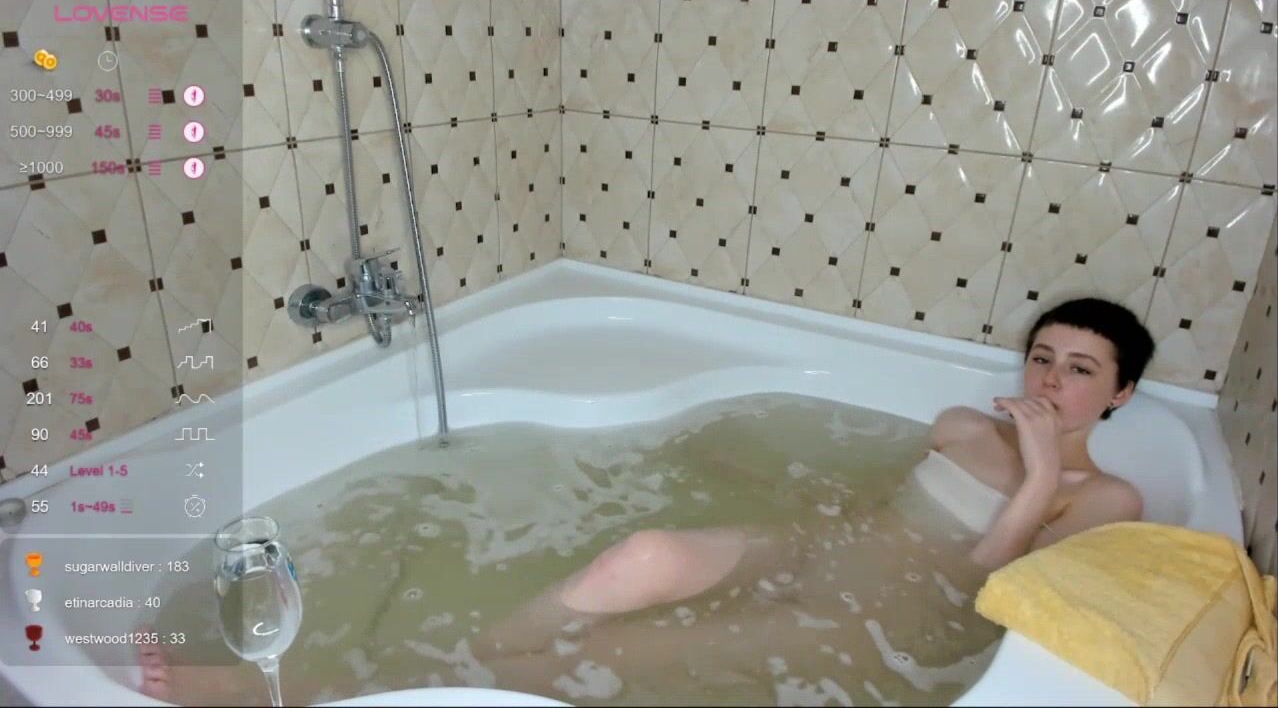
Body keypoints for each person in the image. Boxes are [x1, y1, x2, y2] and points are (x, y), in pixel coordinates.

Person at [137, 296, 1156, 705]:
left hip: (879, 616)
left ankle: (299, 690)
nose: (1050, 380)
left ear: (1119, 395)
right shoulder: (958, 425)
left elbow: (975, 588)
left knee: (583, 663)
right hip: (818, 547)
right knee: (645, 556)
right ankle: (470, 656)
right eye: (1043, 357)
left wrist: (1037, 478)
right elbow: (866, 497)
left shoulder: (1107, 498)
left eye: (1080, 371)